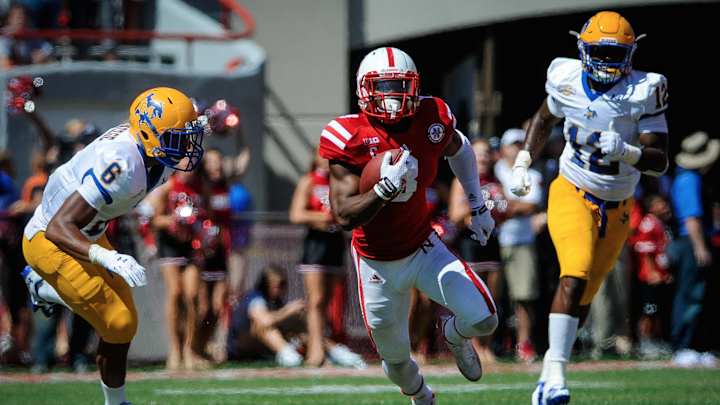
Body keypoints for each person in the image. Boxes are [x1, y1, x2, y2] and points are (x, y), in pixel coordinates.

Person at [320, 47, 498, 405]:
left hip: (423, 247)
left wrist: (477, 204)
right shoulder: (349, 135)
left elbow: (459, 148)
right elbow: (343, 214)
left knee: (485, 319)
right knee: (397, 362)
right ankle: (421, 396)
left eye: (401, 85)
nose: (393, 96)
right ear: (364, 89)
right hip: (376, 262)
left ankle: (454, 333)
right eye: (384, 86)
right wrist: (383, 190)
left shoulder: (432, 115)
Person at [508, 12, 670, 405]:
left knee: (583, 296)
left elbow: (660, 160)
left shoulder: (645, 89)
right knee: (574, 273)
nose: (607, 61)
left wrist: (629, 152)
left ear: (630, 53)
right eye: (599, 52)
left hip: (618, 205)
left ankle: (547, 376)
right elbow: (543, 118)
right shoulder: (565, 77)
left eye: (615, 53)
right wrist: (523, 162)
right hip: (572, 190)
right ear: (582, 49)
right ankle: (557, 377)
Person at [21, 87, 205, 405]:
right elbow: (58, 227)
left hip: (89, 232)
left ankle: (116, 402)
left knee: (124, 326)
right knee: (118, 321)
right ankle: (42, 286)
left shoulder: (153, 153)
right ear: (149, 135)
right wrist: (107, 258)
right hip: (50, 240)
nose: (186, 146)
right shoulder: (121, 165)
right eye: (177, 138)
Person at [289, 151, 357, 367]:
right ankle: (316, 352)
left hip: (335, 244)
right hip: (316, 245)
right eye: (323, 155)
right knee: (316, 300)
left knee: (327, 302)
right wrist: (325, 217)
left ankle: (321, 348)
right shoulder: (308, 181)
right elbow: (296, 214)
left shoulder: (342, 181)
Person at [447, 137, 505, 364]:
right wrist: (477, 205)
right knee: (475, 298)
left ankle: (487, 346)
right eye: (477, 153)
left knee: (493, 298)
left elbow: (505, 208)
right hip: (470, 243)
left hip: (493, 242)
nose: (482, 157)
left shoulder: (496, 181)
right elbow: (455, 215)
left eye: (485, 153)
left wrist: (499, 208)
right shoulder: (461, 181)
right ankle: (474, 346)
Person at [146, 169, 206, 371]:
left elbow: (207, 214)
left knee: (192, 295)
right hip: (170, 245)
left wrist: (202, 228)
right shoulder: (167, 186)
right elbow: (153, 219)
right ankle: (175, 349)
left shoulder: (200, 186)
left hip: (191, 244)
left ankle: (190, 349)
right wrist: (174, 219)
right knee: (175, 292)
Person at [668, 131, 718, 367]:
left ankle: (697, 344)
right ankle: (683, 345)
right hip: (691, 243)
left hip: (695, 241)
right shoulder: (689, 179)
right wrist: (700, 247)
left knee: (700, 294)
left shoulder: (693, 178)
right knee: (690, 294)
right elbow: (691, 218)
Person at [494, 128, 543, 363]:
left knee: (523, 296)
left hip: (521, 241)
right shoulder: (494, 171)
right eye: (512, 145)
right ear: (503, 149)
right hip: (491, 240)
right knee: (492, 296)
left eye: (520, 144)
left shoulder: (531, 174)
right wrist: (510, 205)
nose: (516, 149)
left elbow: (531, 206)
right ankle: (492, 344)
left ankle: (524, 344)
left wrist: (502, 205)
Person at [226, 265, 305, 367]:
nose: (282, 289)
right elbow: (265, 321)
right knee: (261, 326)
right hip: (239, 348)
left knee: (296, 322)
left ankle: (321, 349)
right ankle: (289, 356)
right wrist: (288, 310)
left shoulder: (275, 301)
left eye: (284, 284)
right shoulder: (255, 298)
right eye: (279, 285)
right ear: (266, 284)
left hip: (257, 347)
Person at [628, 194, 673, 359]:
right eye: (660, 204)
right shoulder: (648, 223)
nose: (665, 207)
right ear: (652, 207)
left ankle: (656, 339)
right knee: (649, 310)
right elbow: (644, 250)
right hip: (649, 277)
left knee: (658, 309)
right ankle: (645, 342)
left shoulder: (660, 224)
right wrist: (652, 272)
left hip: (660, 274)